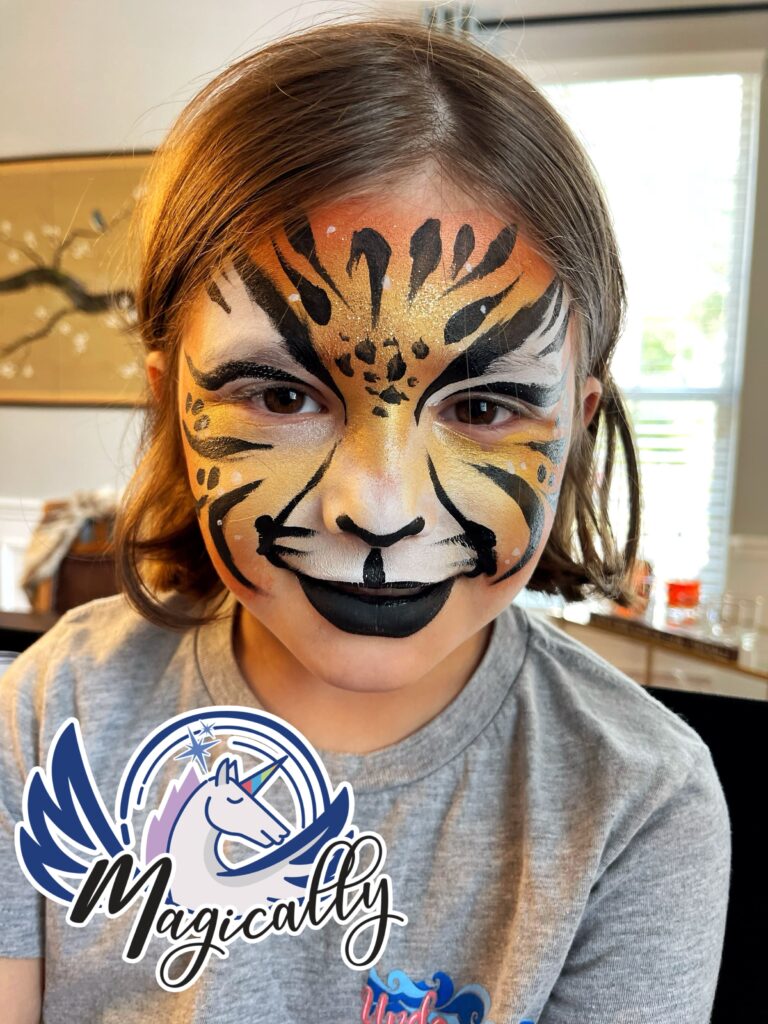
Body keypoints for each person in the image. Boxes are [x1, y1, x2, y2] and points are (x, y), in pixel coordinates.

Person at [0, 18, 730, 1024]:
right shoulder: (49, 715)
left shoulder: (639, 803)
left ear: (575, 430)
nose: (378, 507)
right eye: (282, 395)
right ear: (175, 402)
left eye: (481, 408)